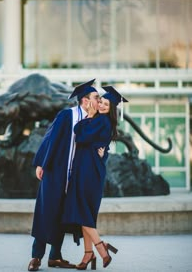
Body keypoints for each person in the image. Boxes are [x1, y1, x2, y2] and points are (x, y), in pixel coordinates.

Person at [28, 79, 101, 271]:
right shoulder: (67, 115)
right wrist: (40, 163)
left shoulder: (94, 121)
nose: (99, 100)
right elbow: (49, 137)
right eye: (96, 97)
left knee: (63, 216)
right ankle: (36, 257)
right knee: (46, 213)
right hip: (55, 173)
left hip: (76, 179)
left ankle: (55, 257)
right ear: (85, 101)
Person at [61, 85, 128, 270]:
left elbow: (80, 137)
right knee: (86, 211)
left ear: (111, 109)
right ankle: (88, 253)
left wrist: (89, 117)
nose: (102, 105)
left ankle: (100, 248)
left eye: (106, 104)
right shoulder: (99, 120)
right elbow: (80, 132)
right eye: (101, 101)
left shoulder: (102, 121)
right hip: (87, 168)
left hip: (88, 170)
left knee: (83, 210)